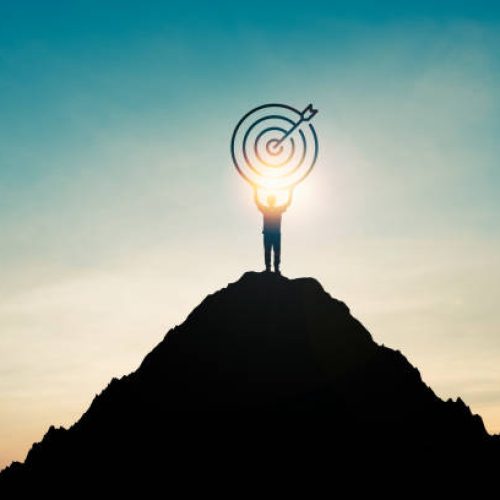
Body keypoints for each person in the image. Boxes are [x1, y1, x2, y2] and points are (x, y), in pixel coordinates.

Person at [254, 190, 292, 274]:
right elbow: (257, 201)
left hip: (275, 234)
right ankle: (268, 268)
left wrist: (290, 191)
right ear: (269, 201)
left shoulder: (278, 209)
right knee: (268, 251)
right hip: (268, 233)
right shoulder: (265, 209)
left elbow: (288, 202)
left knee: (276, 251)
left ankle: (276, 269)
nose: (271, 201)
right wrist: (255, 190)